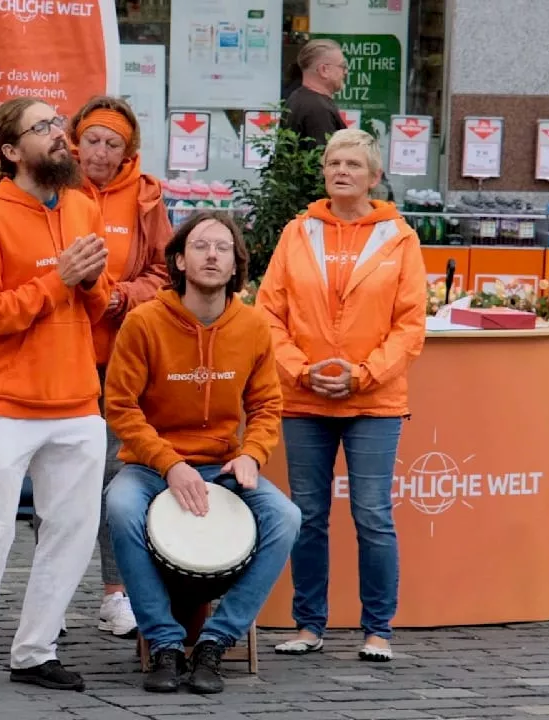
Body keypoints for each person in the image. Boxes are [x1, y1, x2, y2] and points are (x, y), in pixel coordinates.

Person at [0, 97, 111, 696]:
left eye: (57, 123)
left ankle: (35, 650)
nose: (60, 134)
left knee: (72, 533)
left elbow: (99, 303)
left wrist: (87, 282)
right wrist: (57, 279)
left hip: (79, 399)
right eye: (43, 128)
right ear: (11, 151)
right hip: (5, 403)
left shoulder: (83, 205)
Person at [103, 211, 300, 695]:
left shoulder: (253, 327)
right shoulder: (144, 322)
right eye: (200, 246)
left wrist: (253, 453)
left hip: (224, 464)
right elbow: (121, 407)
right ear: (179, 260)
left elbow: (267, 405)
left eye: (223, 248)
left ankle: (216, 640)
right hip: (152, 465)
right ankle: (165, 644)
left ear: (236, 266)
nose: (212, 255)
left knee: (286, 517)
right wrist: (169, 465)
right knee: (119, 505)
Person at [256, 128, 426, 663]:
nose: (341, 170)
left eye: (353, 163)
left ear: (374, 177)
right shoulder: (297, 232)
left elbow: (410, 324)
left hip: (373, 401)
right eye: (333, 162)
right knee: (307, 514)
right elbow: (268, 313)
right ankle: (310, 625)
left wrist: (363, 375)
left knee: (372, 514)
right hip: (304, 398)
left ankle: (378, 629)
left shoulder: (400, 238)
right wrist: (301, 371)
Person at [62, 95, 171, 638]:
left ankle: (114, 594)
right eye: (93, 141)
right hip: (60, 356)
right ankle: (50, 595)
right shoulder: (55, 189)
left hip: (122, 361)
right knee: (56, 480)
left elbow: (164, 272)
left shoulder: (145, 200)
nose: (100, 153)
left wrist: (120, 297)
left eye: (113, 144)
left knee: (113, 479)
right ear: (74, 141)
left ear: (129, 152)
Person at [285, 39, 348, 151]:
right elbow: (324, 160)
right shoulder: (318, 109)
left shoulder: (297, 98)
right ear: (324, 70)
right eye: (342, 66)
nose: (346, 71)